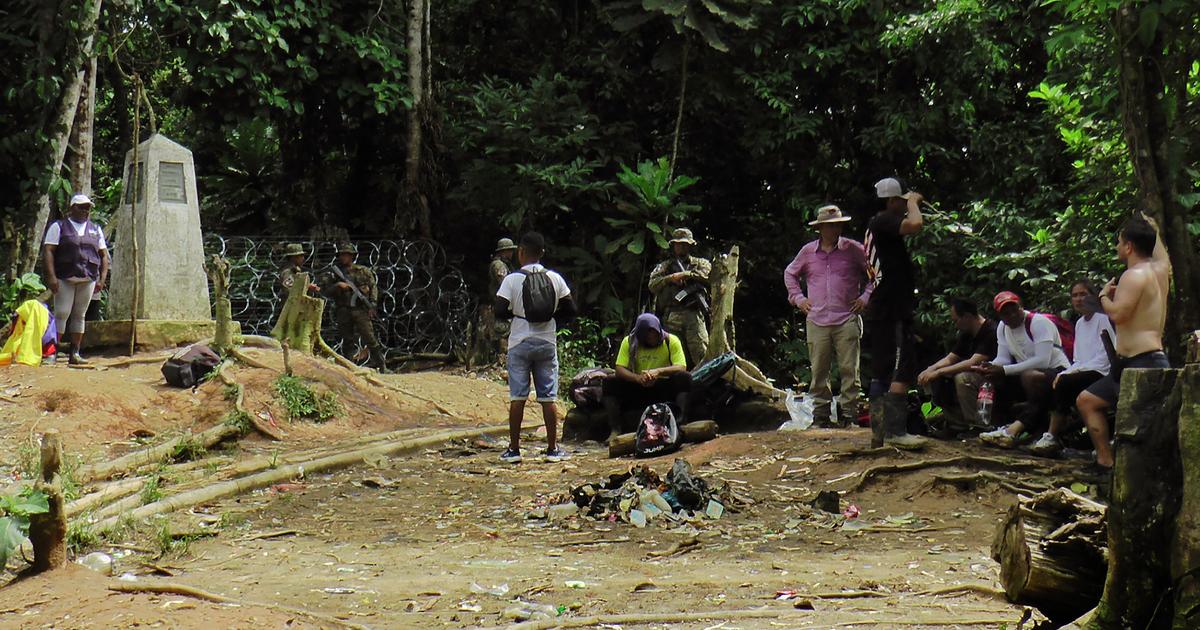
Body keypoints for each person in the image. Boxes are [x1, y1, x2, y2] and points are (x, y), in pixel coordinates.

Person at [1076, 214, 1171, 469]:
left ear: (1129, 246)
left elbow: (1119, 314)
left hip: (1142, 363)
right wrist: (1155, 229)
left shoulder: (1132, 274)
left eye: (1119, 242)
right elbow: (1163, 256)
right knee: (1087, 400)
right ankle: (1105, 460)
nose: (1117, 247)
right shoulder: (1161, 270)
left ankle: (1136, 480)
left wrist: (1105, 296)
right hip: (1141, 360)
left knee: (1141, 428)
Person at [783, 204, 874, 427]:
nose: (835, 230)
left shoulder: (854, 249)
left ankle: (849, 415)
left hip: (846, 318)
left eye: (838, 225)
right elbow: (790, 273)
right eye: (831, 226)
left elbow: (874, 274)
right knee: (819, 370)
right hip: (817, 318)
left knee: (849, 369)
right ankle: (821, 416)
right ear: (821, 228)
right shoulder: (808, 252)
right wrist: (798, 298)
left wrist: (865, 297)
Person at [495, 231, 576, 463]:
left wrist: (517, 314)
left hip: (519, 342)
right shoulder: (555, 278)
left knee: (517, 396)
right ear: (541, 253)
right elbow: (571, 310)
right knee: (548, 397)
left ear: (521, 252)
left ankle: (514, 450)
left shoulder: (512, 279)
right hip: (546, 342)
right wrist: (551, 321)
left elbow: (500, 310)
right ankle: (552, 448)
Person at [863, 177, 927, 449]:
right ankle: (894, 432)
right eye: (900, 201)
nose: (904, 206)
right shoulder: (884, 220)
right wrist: (913, 202)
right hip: (890, 310)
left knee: (883, 368)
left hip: (884, 309)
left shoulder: (877, 225)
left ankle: (880, 434)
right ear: (891, 202)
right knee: (902, 366)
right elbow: (916, 224)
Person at [1025, 281, 1116, 456]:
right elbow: (1078, 359)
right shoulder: (1080, 323)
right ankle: (1046, 432)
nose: (1079, 299)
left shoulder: (1103, 318)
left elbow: (1105, 356)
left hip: (1102, 371)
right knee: (1051, 380)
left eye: (1083, 294)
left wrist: (1070, 374)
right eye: (1075, 295)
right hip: (1084, 369)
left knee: (1064, 383)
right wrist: (1067, 372)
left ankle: (1053, 435)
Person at [977, 291, 1071, 447]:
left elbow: (1042, 360)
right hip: (1025, 373)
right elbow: (1003, 358)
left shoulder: (1038, 323)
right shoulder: (1003, 328)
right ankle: (1000, 425)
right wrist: (991, 367)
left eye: (1015, 310)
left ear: (1021, 307)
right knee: (996, 379)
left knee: (1030, 377)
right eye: (1006, 313)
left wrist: (1005, 370)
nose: (1012, 315)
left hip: (1056, 370)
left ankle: (1014, 429)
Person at [602, 313, 692, 442]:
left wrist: (658, 372)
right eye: (648, 336)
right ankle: (615, 428)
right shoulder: (629, 342)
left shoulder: (671, 340)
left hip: (662, 387)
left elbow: (681, 366)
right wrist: (637, 378)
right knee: (609, 381)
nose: (652, 338)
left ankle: (680, 423)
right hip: (639, 387)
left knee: (684, 377)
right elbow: (619, 369)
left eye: (655, 335)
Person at [42, 193, 109, 365]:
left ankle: (75, 353)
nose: (86, 211)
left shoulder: (95, 229)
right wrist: (52, 277)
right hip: (65, 277)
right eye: (82, 207)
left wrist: (102, 278)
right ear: (72, 208)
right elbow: (49, 251)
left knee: (80, 315)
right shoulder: (59, 226)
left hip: (88, 278)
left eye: (88, 208)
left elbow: (103, 256)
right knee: (62, 313)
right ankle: (52, 352)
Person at [916, 298, 998, 435]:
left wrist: (939, 372)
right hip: (977, 375)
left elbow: (974, 362)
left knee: (963, 378)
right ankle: (956, 424)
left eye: (956, 320)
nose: (955, 325)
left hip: (992, 377)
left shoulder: (990, 330)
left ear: (967, 316)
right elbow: (951, 358)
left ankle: (978, 425)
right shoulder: (967, 333)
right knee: (938, 377)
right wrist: (930, 370)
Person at [648, 228, 711, 367]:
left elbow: (709, 278)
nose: (681, 246)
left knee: (701, 352)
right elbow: (652, 285)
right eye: (678, 243)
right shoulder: (665, 266)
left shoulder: (700, 264)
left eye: (684, 243)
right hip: (672, 315)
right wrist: (670, 278)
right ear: (674, 245)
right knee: (673, 354)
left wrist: (688, 274)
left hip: (694, 314)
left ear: (690, 245)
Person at [320, 243, 384, 368]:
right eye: (341, 255)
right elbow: (325, 291)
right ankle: (349, 367)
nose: (343, 257)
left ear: (352, 256)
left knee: (370, 338)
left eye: (346, 255)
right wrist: (338, 285)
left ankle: (382, 365)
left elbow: (373, 287)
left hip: (360, 310)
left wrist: (372, 304)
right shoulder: (334, 274)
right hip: (343, 310)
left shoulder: (362, 271)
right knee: (347, 340)